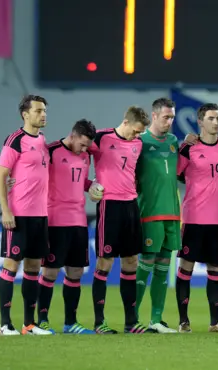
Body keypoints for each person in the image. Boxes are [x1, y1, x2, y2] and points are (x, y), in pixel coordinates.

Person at [89, 106, 152, 334]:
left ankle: (131, 322)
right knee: (105, 262)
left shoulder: (138, 144)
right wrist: (89, 185)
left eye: (140, 133)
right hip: (110, 205)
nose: (137, 136)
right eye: (135, 131)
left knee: (131, 262)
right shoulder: (101, 138)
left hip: (131, 206)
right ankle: (99, 323)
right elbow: (75, 154)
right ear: (125, 122)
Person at [35, 119, 101, 335]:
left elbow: (81, 182)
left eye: (87, 146)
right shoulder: (51, 151)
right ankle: (42, 321)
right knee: (51, 272)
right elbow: (34, 176)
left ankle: (70, 323)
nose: (84, 149)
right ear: (72, 135)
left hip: (79, 222)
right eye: (82, 144)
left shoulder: (86, 155)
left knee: (76, 272)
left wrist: (93, 186)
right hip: (55, 221)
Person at [0, 95, 53, 335]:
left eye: (44, 111)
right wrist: (6, 210)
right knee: (11, 265)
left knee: (32, 268)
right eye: (38, 110)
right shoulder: (15, 140)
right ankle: (4, 324)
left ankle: (29, 324)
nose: (43, 115)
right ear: (25, 114)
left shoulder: (42, 140)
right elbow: (1, 176)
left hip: (40, 215)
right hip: (18, 214)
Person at [175, 103, 218, 333]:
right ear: (200, 121)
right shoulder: (188, 148)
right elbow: (178, 175)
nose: (216, 122)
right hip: (193, 218)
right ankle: (183, 321)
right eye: (211, 118)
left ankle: (215, 322)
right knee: (186, 268)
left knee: (216, 269)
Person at [134, 98, 181, 334]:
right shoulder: (139, 142)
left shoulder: (174, 142)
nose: (169, 121)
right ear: (153, 116)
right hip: (149, 212)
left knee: (164, 265)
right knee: (146, 264)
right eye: (165, 117)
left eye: (172, 117)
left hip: (172, 213)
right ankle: (132, 318)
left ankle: (156, 319)